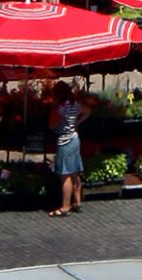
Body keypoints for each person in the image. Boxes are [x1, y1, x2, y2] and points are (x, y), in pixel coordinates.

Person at [48, 82, 87, 217]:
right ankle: (77, 201)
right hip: (75, 139)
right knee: (75, 172)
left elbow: (52, 125)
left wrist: (53, 110)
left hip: (65, 141)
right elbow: (88, 111)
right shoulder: (74, 104)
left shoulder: (61, 107)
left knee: (65, 176)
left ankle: (65, 206)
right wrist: (76, 122)